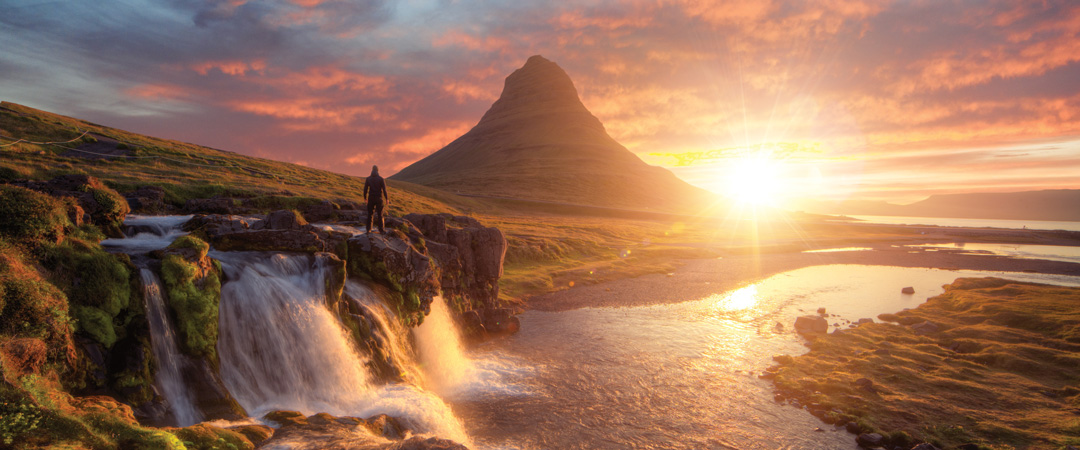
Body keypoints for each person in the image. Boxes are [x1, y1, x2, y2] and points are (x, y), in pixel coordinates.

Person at [363, 165, 389, 233]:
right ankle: (381, 230)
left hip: (371, 198)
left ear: (372, 170)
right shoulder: (381, 179)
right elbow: (384, 189)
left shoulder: (368, 179)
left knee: (370, 214)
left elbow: (365, 189)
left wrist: (365, 198)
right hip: (379, 198)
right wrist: (387, 198)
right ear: (378, 170)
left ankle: (368, 229)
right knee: (380, 214)